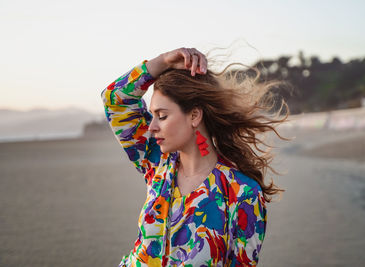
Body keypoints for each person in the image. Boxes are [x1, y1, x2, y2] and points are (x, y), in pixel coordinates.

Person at [101, 47, 288, 266]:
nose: (151, 127)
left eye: (162, 116)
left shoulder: (242, 192)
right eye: (153, 116)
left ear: (194, 115)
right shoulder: (156, 164)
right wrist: (163, 62)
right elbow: (114, 99)